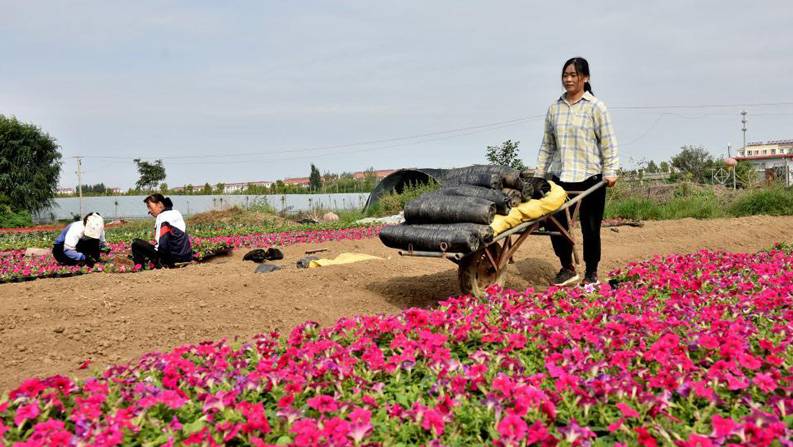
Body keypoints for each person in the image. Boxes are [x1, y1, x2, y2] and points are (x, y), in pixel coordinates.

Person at [533, 57, 619, 287]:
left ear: (585, 78)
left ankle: (591, 271)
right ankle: (567, 267)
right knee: (555, 223)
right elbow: (548, 145)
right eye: (565, 75)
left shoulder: (596, 107)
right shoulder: (555, 108)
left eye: (573, 75)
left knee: (591, 228)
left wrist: (610, 171)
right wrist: (539, 174)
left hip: (590, 177)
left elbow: (608, 143)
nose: (568, 79)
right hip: (561, 178)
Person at [131, 194, 193, 268]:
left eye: (150, 207)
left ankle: (139, 268)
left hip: (172, 259)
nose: (149, 211)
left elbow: (160, 246)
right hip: (187, 256)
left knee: (136, 243)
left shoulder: (161, 217)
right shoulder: (177, 213)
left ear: (160, 204)